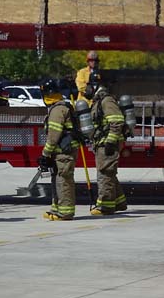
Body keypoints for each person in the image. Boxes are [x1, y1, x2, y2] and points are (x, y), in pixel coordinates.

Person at [85, 72, 128, 215]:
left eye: (90, 85)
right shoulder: (99, 101)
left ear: (97, 85)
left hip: (107, 143)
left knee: (105, 173)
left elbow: (117, 121)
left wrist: (110, 142)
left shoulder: (106, 101)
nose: (87, 89)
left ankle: (106, 206)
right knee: (109, 173)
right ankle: (119, 202)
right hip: (101, 142)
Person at [40, 78, 80, 221]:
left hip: (64, 152)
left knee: (63, 180)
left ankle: (65, 212)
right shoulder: (61, 107)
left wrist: (45, 154)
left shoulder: (57, 110)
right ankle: (56, 208)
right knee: (58, 179)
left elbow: (53, 136)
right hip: (62, 152)